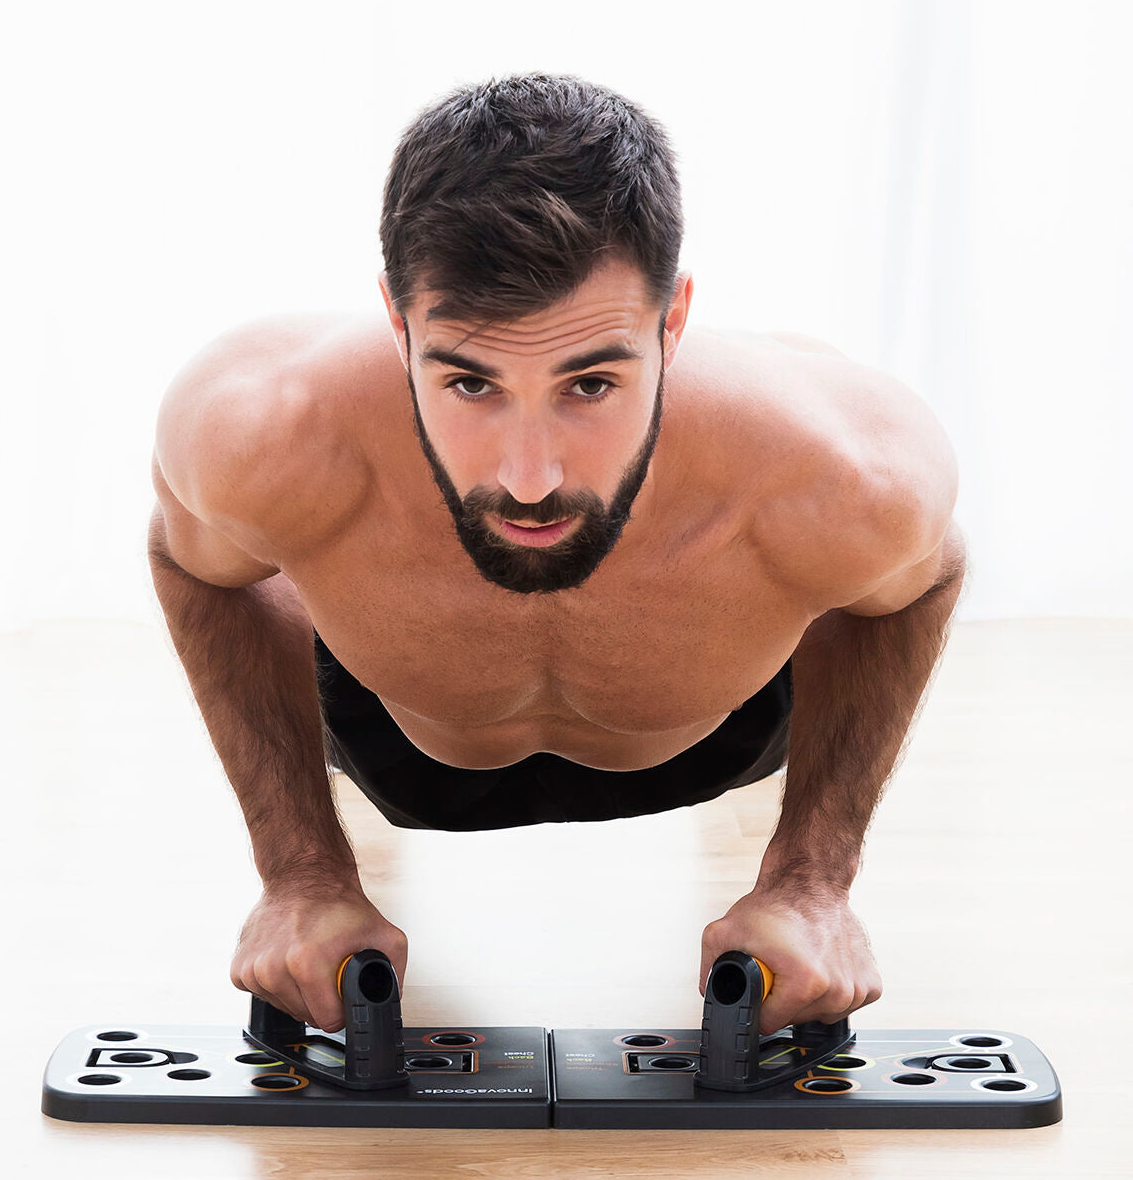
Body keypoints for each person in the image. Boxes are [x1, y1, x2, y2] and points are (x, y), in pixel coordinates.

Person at [148, 73, 967, 1041]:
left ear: (674, 323)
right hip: (396, 729)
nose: (529, 478)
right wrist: (299, 872)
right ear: (396, 326)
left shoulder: (840, 470)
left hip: (719, 718)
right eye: (468, 382)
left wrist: (813, 881)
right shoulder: (264, 430)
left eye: (589, 383)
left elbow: (920, 581)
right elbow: (197, 563)